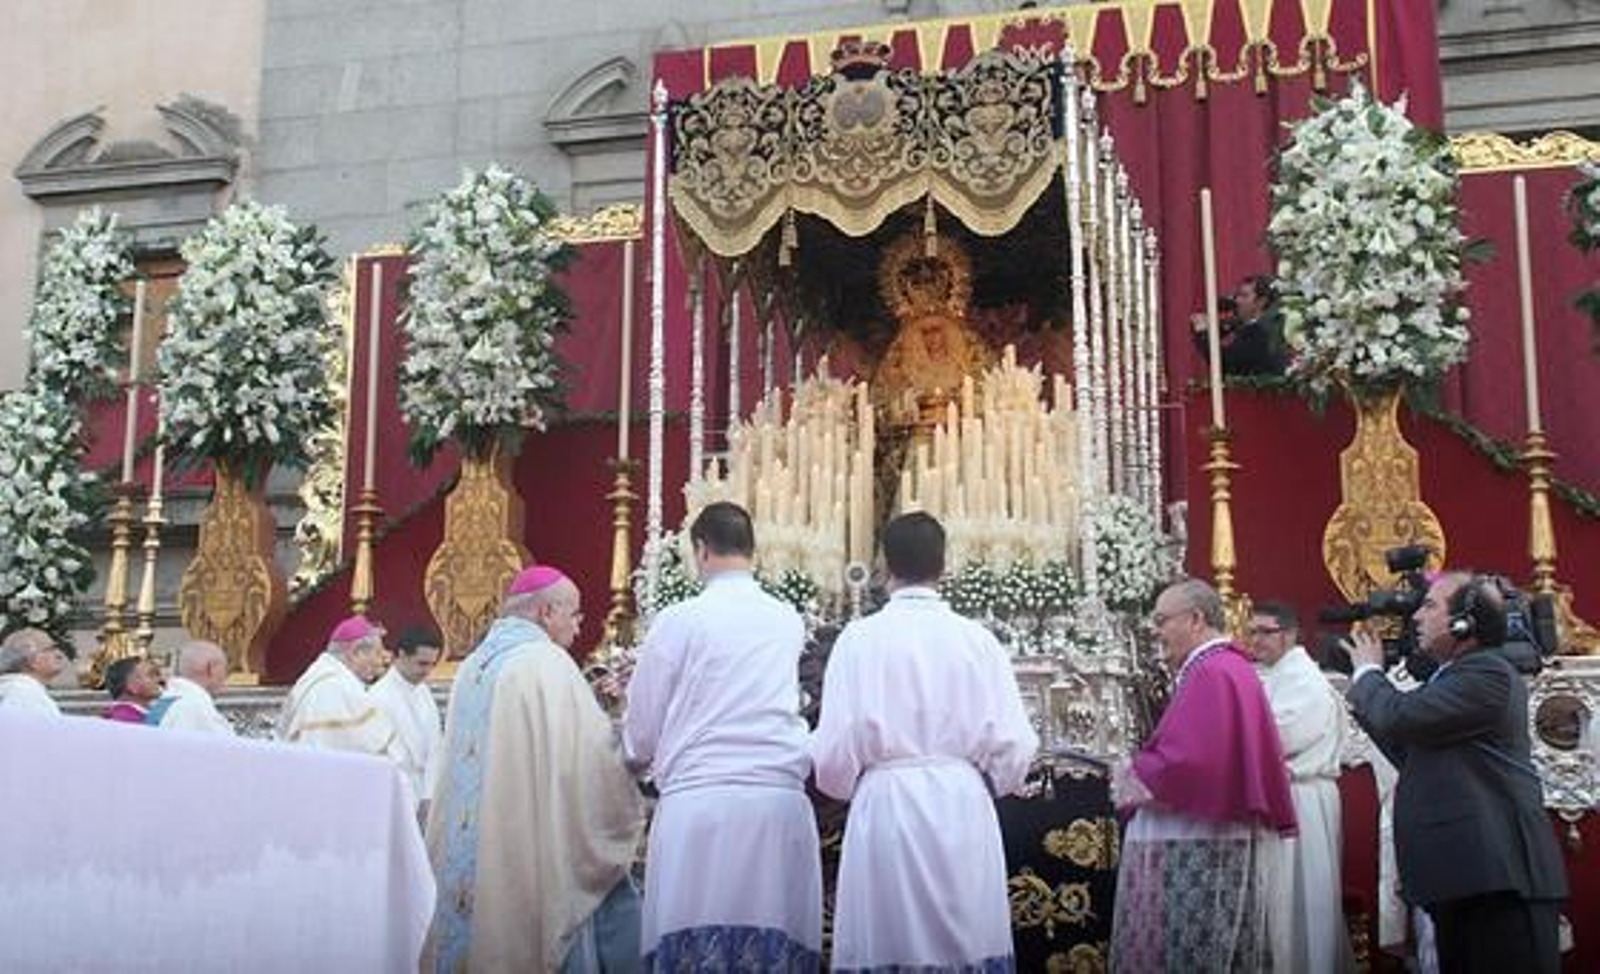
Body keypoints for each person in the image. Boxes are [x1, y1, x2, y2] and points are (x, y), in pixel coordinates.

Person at [811, 511, 1038, 970]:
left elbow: (834, 753)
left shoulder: (859, 639)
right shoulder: (977, 640)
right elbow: (1015, 746)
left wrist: (846, 783)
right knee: (967, 940)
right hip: (961, 805)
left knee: (888, 941)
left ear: (883, 565)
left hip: (887, 805)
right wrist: (989, 781)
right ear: (944, 564)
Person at [623, 501, 823, 969]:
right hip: (776, 803)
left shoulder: (679, 620)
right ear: (753, 550)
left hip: (699, 804)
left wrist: (633, 756)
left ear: (701, 549)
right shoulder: (786, 619)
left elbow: (644, 720)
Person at [1346, 572, 1568, 973]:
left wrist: (1367, 675)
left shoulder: (1488, 673)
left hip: (1500, 882)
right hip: (1468, 878)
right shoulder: (1452, 678)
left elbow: (1401, 717)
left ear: (1463, 623)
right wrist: (1367, 699)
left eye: (1430, 606)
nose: (1416, 617)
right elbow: (1412, 751)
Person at [427, 565, 642, 973]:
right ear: (546, 613)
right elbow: (592, 767)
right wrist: (625, 734)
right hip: (528, 849)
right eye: (574, 614)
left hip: (477, 853)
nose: (579, 626)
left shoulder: (472, 667)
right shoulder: (547, 663)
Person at [1110, 578, 1297, 971]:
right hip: (1218, 837)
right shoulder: (1226, 666)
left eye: (1162, 621)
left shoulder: (1212, 671)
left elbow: (1192, 763)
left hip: (1203, 841)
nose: (1156, 632)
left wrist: (1134, 771)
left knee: (1197, 949)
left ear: (1195, 619)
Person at [1246, 600, 1352, 974]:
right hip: (1277, 798)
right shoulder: (1264, 674)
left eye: (1265, 632)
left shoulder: (1304, 679)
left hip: (1302, 799)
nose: (1255, 640)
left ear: (1289, 634)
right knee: (1275, 901)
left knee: (1304, 902)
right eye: (1252, 631)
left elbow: (1279, 736)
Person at [276, 616, 402, 761]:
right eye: (377, 653)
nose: (381, 661)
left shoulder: (312, 679)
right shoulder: (338, 687)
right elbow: (372, 746)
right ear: (356, 653)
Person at [370, 625, 444, 813]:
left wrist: (429, 794)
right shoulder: (378, 697)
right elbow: (383, 757)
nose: (428, 671)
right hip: (395, 797)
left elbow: (435, 746)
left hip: (426, 793)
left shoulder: (423, 691)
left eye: (432, 664)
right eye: (422, 663)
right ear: (402, 654)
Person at [1190, 274, 1287, 376]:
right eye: (1237, 295)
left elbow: (1224, 363)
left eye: (1244, 296)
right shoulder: (1263, 325)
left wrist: (1202, 333)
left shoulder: (1259, 331)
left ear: (1261, 301)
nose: (1237, 301)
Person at [148, 640, 235, 735]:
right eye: (224, 669)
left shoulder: (164, 700)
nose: (225, 676)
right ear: (211, 669)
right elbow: (227, 746)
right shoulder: (196, 707)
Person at [0, 628, 67, 715]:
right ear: (31, 660)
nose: (59, 655)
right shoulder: (25, 695)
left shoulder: (17, 689)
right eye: (50, 649)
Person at [103, 656, 164, 724]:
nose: (160, 680)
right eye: (151, 675)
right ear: (131, 686)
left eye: (157, 675)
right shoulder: (125, 720)